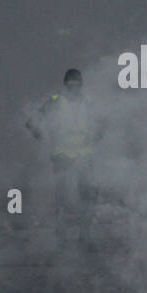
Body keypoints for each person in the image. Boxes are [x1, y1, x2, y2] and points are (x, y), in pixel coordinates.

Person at [27, 68, 96, 249]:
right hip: (62, 155)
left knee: (87, 197)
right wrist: (41, 135)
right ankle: (61, 238)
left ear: (81, 85)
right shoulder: (56, 101)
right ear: (65, 85)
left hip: (83, 155)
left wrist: (96, 135)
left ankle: (85, 237)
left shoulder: (88, 102)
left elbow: (103, 122)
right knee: (62, 198)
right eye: (71, 85)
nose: (74, 89)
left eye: (77, 85)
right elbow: (32, 121)